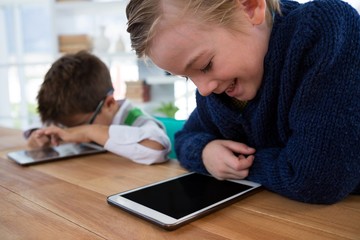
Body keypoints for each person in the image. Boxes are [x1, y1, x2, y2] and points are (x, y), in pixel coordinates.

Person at [125, 0, 360, 204]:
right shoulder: (218, 88)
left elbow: (316, 179)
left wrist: (239, 166)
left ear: (250, 7)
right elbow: (185, 138)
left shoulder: (327, 30)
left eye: (205, 65)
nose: (203, 90)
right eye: (188, 77)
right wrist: (205, 153)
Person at [25, 51, 171, 165]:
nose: (71, 132)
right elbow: (39, 125)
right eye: (66, 127)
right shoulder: (71, 112)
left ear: (109, 104)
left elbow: (158, 149)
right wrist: (37, 138)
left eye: (80, 125)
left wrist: (88, 132)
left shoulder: (134, 118)